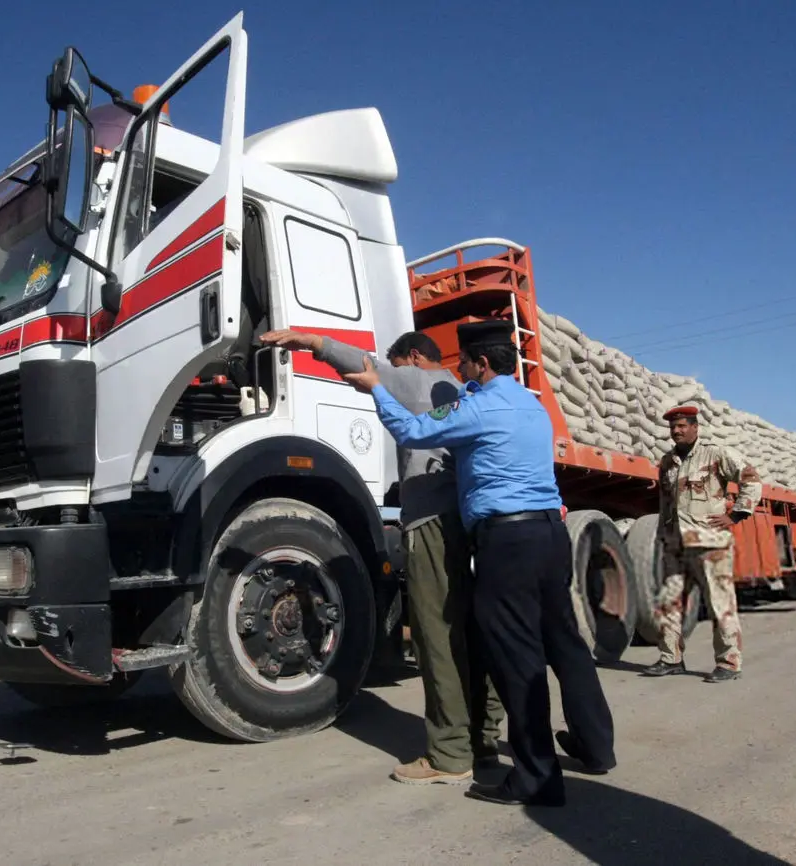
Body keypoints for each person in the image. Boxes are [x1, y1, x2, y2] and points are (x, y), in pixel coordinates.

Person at [341, 319, 616, 808]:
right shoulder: (533, 406)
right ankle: (596, 748)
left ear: (481, 363)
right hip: (550, 534)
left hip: (507, 540)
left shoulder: (479, 407)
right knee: (565, 643)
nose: (458, 370)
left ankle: (536, 777)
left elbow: (413, 429)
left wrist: (378, 389)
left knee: (516, 656)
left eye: (464, 361)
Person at [259, 327, 505, 785]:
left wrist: (309, 342)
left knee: (436, 638)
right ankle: (483, 740)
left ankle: (450, 754)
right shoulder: (461, 387)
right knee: (474, 633)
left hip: (431, 524)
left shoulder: (415, 383)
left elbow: (362, 365)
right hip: (470, 520)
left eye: (398, 361)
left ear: (412, 357)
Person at [642, 406, 762, 684]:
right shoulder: (667, 462)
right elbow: (665, 504)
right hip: (675, 545)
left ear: (696, 427)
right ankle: (670, 658)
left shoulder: (715, 454)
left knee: (720, 604)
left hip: (709, 543)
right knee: (667, 603)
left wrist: (736, 515)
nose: (677, 431)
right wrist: (663, 536)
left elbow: (751, 479)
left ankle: (729, 663)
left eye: (683, 426)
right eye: (673, 427)